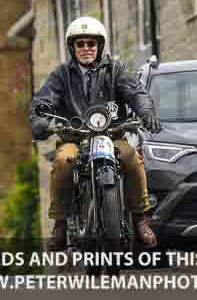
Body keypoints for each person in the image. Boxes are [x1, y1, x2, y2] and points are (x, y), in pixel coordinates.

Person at [28, 16, 162, 250]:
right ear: (73, 48)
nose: (86, 48)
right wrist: (39, 121)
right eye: (80, 44)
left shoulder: (116, 69)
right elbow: (41, 101)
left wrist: (147, 112)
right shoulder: (61, 75)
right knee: (62, 161)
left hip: (113, 135)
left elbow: (136, 92)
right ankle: (60, 224)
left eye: (91, 43)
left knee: (131, 157)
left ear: (99, 46)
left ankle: (141, 219)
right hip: (75, 139)